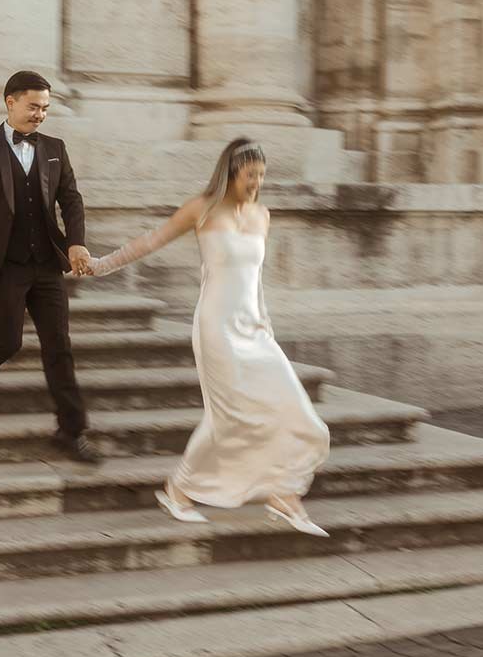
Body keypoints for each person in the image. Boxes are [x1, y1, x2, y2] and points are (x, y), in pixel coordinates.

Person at [85, 138, 331, 535]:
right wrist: (99, 266)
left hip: (254, 329)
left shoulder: (262, 215)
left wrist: (266, 323)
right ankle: (179, 491)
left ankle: (284, 494)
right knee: (228, 418)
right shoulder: (201, 209)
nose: (257, 183)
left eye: (262, 176)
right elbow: (150, 241)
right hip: (216, 327)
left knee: (298, 412)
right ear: (232, 173)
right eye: (251, 175)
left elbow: (255, 281)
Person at [0, 71, 100, 463]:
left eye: (46, 108)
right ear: (10, 102)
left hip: (47, 264)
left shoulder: (54, 147)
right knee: (4, 341)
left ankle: (71, 431)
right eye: (34, 106)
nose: (40, 115)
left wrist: (76, 241)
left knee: (58, 348)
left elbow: (72, 200)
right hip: (3, 264)